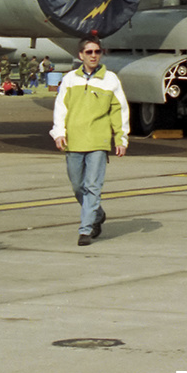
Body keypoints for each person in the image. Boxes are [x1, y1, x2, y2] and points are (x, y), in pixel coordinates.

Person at [50, 38, 128, 246]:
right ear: (80, 55)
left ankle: (85, 230)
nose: (94, 55)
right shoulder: (69, 79)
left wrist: (121, 138)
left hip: (98, 141)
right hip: (74, 141)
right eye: (89, 52)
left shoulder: (110, 80)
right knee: (78, 186)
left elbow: (119, 110)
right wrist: (59, 133)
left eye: (97, 51)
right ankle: (97, 213)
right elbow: (61, 108)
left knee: (92, 186)